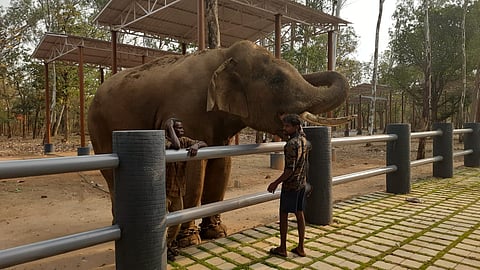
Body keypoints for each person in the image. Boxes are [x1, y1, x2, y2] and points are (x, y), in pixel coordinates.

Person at [267, 114, 311, 258]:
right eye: (284, 126)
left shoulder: (291, 145)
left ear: (296, 127)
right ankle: (300, 247)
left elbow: (289, 170)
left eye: (287, 126)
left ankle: (283, 248)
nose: (284, 128)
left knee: (284, 214)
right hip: (301, 183)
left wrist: (275, 182)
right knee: (299, 213)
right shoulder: (304, 141)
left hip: (291, 185)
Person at [164, 118, 207, 261]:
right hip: (163, 191)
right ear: (170, 129)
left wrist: (197, 146)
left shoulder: (184, 140)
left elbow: (203, 142)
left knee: (177, 221)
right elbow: (175, 146)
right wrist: (169, 127)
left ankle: (167, 245)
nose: (182, 131)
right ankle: (159, 249)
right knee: (159, 223)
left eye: (182, 128)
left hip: (177, 190)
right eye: (178, 128)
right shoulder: (164, 141)